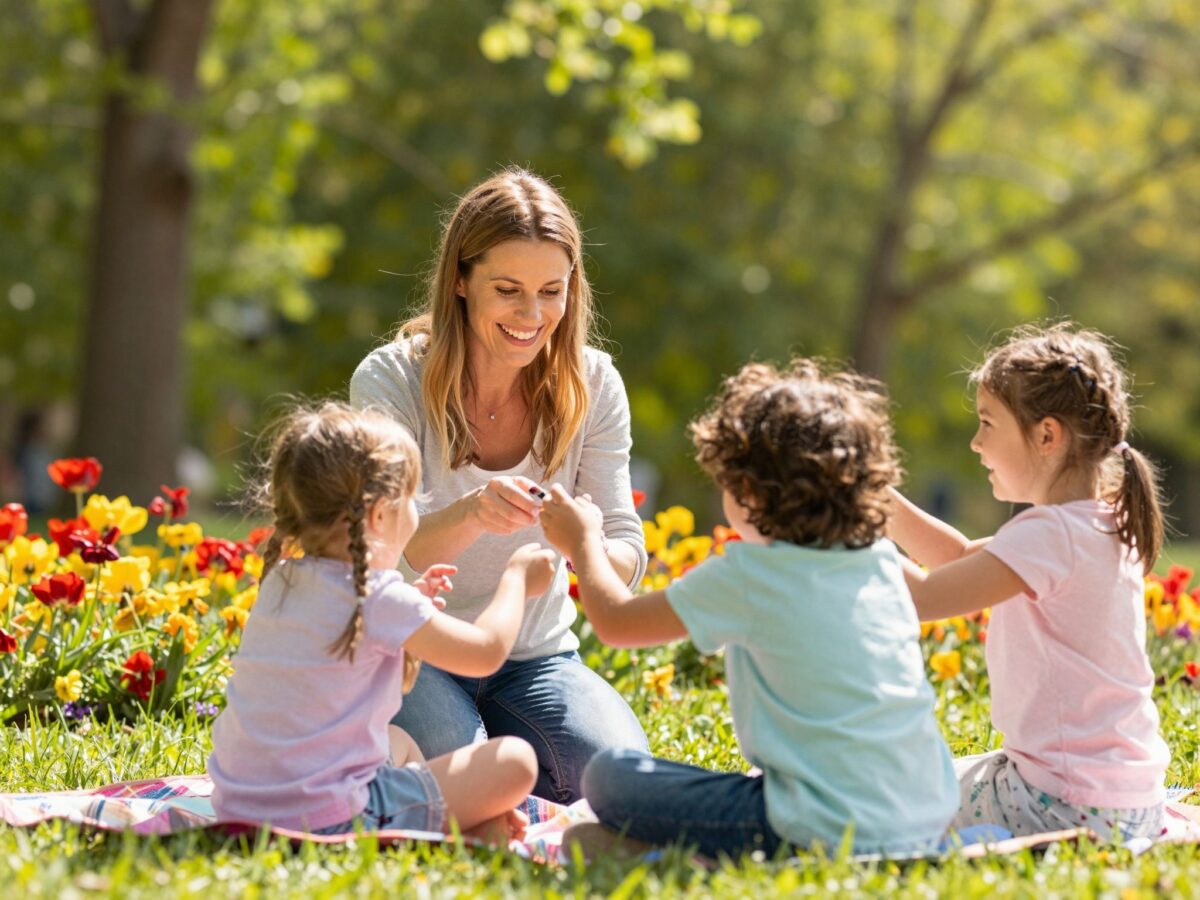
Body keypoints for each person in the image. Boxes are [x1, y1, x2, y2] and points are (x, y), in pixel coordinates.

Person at [539, 359, 959, 859]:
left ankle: (691, 860)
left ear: (749, 491)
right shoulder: (876, 559)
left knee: (609, 777)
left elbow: (615, 623)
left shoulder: (749, 575)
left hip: (814, 825)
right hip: (926, 813)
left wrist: (584, 543)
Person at [349, 168, 649, 803]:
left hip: (535, 659)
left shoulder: (594, 385)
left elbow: (624, 551)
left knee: (619, 780)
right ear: (459, 280)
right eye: (507, 290)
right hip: (416, 652)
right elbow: (380, 553)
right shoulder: (390, 381)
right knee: (468, 778)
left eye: (551, 291)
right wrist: (472, 515)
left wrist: (585, 544)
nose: (531, 316)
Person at [208, 402, 556, 840]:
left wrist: (410, 601)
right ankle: (447, 828)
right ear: (377, 516)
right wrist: (518, 579)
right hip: (331, 817)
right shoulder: (377, 598)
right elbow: (485, 652)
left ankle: (447, 822)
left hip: (241, 805)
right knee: (515, 762)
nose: (416, 512)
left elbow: (342, 639)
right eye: (412, 499)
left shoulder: (283, 580)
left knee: (400, 741)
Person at [887, 323, 1170, 841]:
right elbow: (955, 558)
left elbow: (926, 596)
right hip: (1125, 802)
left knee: (879, 795)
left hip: (1060, 803)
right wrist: (878, 504)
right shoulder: (1101, 522)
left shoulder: (1051, 534)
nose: (975, 443)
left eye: (987, 424)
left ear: (1046, 435)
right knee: (925, 779)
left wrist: (843, 528)